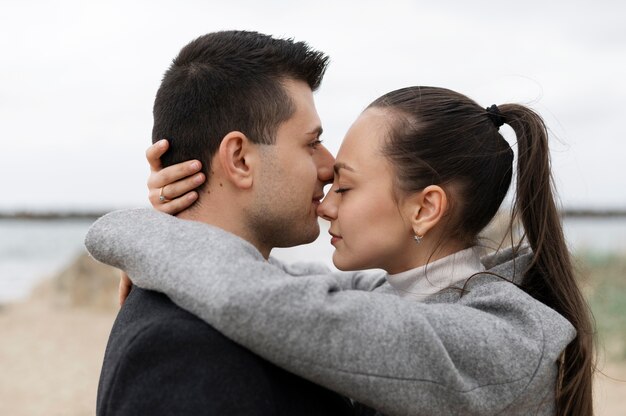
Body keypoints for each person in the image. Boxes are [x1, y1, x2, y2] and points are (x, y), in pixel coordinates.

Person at [87, 86, 595, 416]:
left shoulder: (499, 341)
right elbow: (264, 277)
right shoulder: (399, 294)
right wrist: (188, 214)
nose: (326, 205)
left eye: (345, 188)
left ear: (425, 209)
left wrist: (142, 235)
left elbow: (261, 303)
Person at [94, 30, 357, 415]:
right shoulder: (180, 350)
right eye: (311, 143)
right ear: (239, 159)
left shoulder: (238, 305)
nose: (329, 166)